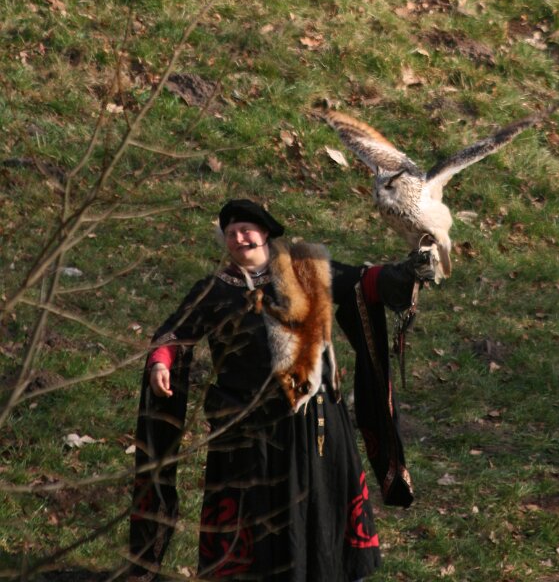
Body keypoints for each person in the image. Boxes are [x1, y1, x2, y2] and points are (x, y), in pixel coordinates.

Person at [129, 199, 434, 582]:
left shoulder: (305, 270)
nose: (239, 238)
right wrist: (161, 362)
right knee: (254, 529)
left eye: (246, 230)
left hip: (314, 428)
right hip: (245, 434)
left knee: (321, 515)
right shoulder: (212, 290)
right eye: (231, 233)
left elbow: (361, 282)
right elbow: (175, 332)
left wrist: (406, 272)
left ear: (265, 233)